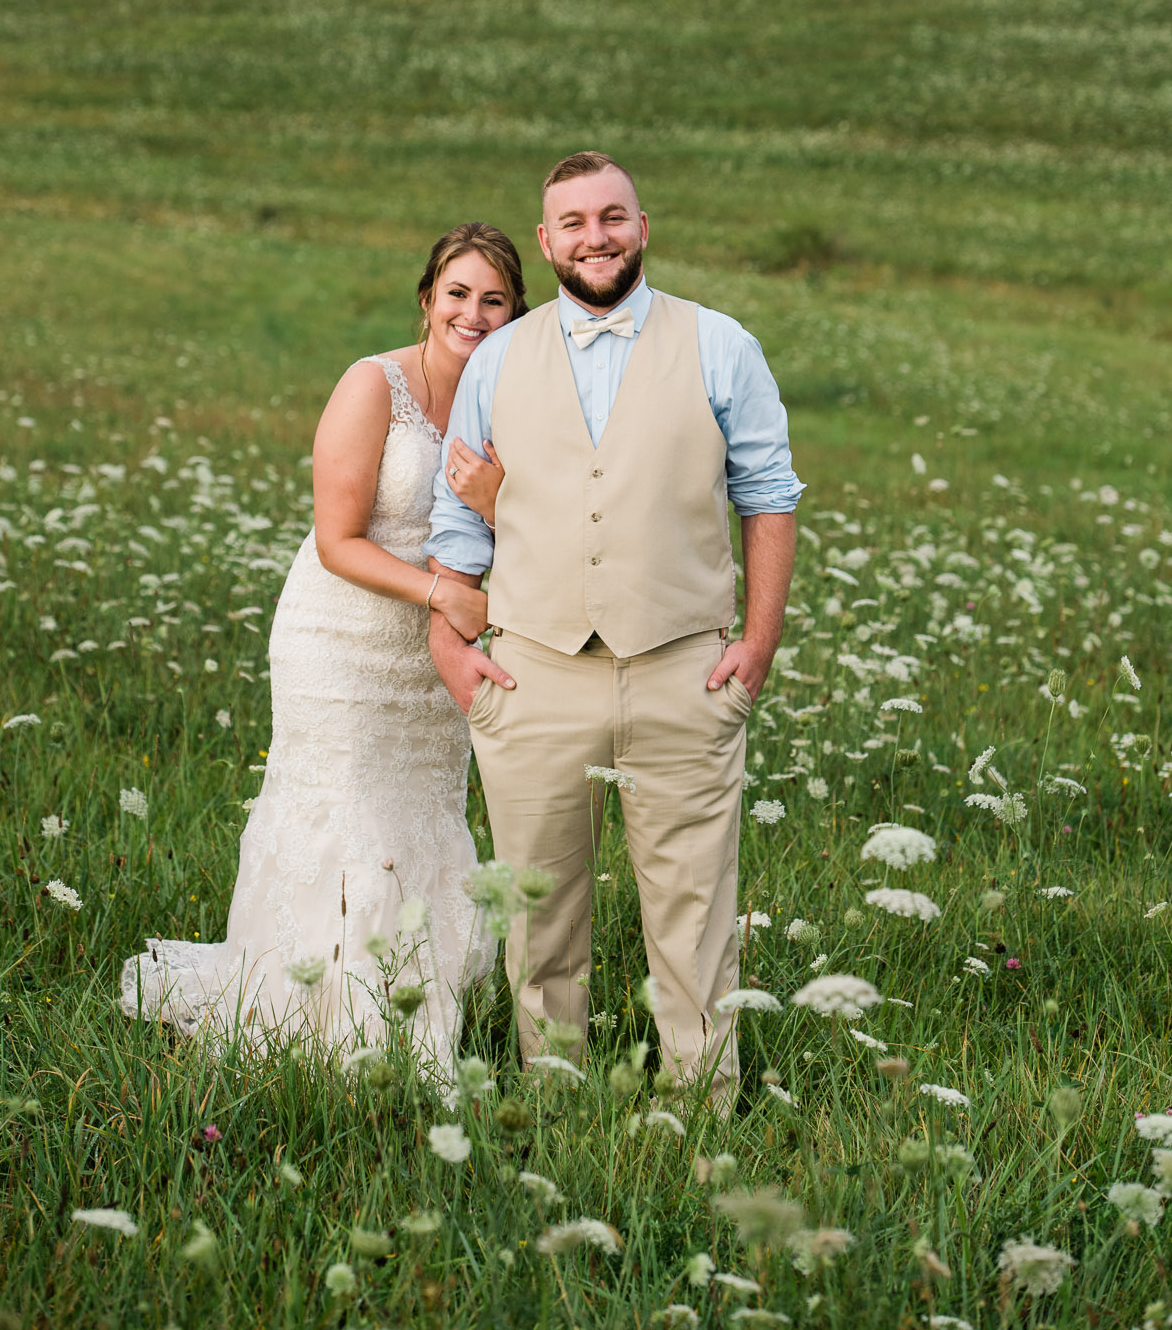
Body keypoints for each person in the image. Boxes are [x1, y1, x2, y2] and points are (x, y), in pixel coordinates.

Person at [427, 153, 803, 1089]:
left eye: (613, 217)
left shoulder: (721, 344)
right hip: (532, 670)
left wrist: (756, 645)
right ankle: (549, 1107)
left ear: (642, 227)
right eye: (574, 223)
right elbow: (456, 516)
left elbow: (768, 498)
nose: (595, 237)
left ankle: (702, 1107)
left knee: (694, 914)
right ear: (547, 241)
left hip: (684, 667)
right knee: (537, 913)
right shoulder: (502, 357)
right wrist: (450, 650)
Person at [120, 223, 524, 1070]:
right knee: (348, 813)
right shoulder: (373, 384)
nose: (473, 314)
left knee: (419, 816)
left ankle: (413, 998)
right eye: (457, 294)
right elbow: (337, 538)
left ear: (515, 312)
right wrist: (439, 591)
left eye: (493, 300)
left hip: (437, 653)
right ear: (426, 300)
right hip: (340, 640)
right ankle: (309, 1013)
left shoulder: (515, 401)